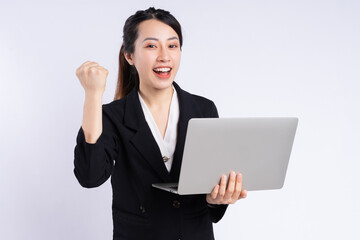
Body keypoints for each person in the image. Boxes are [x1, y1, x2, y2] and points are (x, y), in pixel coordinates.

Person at [74, 7, 247, 240]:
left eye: (172, 45)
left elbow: (211, 210)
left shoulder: (204, 109)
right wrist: (93, 95)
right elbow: (90, 177)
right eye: (151, 46)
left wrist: (217, 199)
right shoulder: (111, 117)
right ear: (129, 55)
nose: (165, 56)